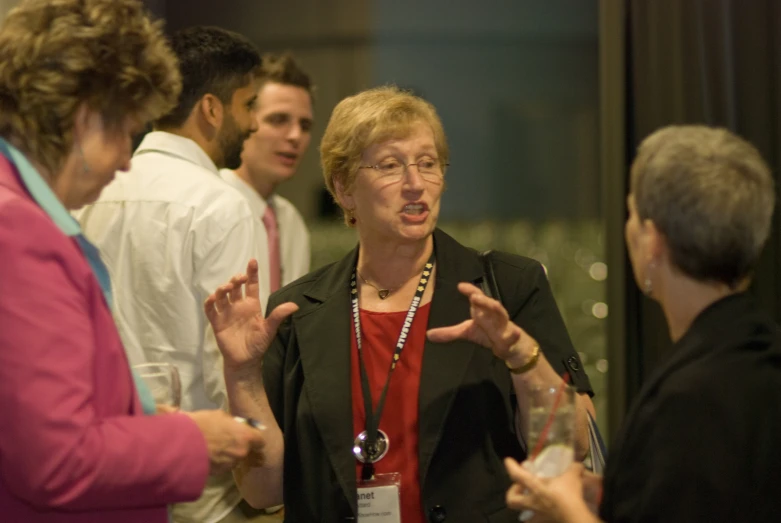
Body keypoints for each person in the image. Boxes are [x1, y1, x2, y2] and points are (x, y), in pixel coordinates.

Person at [204, 86, 597, 523]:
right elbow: (263, 491)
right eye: (390, 166)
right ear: (345, 188)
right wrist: (241, 375)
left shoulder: (506, 287)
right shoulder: (298, 309)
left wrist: (522, 357)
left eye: (428, 164)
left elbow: (573, 446)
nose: (416, 184)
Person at [0, 2, 266, 522]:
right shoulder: (19, 232)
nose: (127, 160)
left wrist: (137, 417)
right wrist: (190, 438)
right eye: (125, 130)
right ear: (83, 120)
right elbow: (56, 460)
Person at [504, 125, 781, 522]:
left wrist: (562, 508)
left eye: (632, 212)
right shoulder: (753, 348)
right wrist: (610, 494)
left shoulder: (697, 397)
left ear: (652, 241)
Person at [75, 26, 272, 523]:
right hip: (204, 486)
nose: (254, 125)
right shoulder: (223, 204)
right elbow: (228, 360)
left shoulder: (90, 192)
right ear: (211, 108)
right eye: (249, 106)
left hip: (111, 467)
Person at [221, 52, 314, 294]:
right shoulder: (210, 208)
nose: (295, 136)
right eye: (278, 119)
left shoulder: (291, 221)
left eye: (304, 126)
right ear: (245, 120)